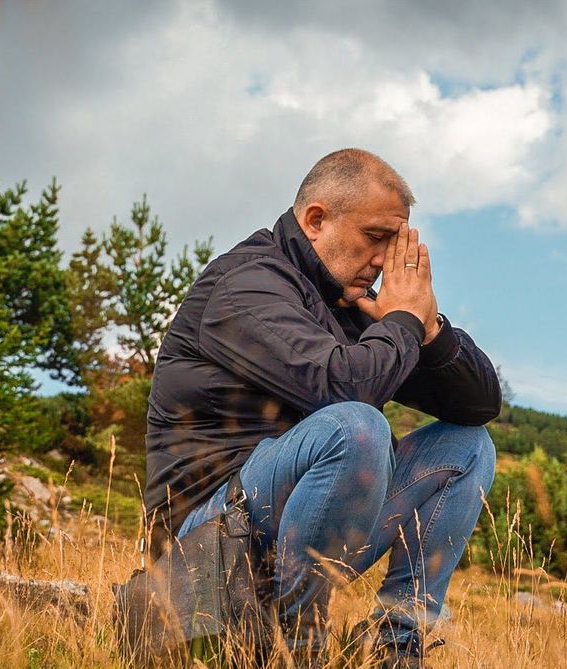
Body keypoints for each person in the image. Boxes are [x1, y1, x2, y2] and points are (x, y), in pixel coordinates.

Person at [145, 148, 500, 666]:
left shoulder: (347, 303)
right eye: (376, 237)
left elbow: (479, 405)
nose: (383, 261)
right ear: (316, 220)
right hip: (206, 542)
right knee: (355, 427)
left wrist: (428, 329)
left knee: (467, 446)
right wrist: (400, 321)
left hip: (297, 530)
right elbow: (341, 389)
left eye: (395, 244)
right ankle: (298, 650)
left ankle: (395, 644)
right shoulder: (246, 285)